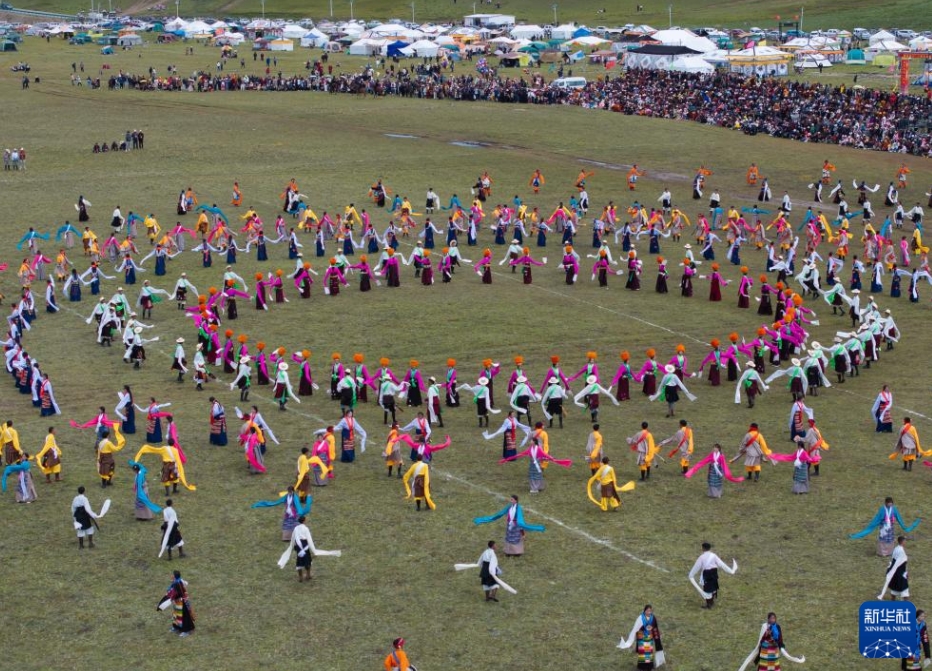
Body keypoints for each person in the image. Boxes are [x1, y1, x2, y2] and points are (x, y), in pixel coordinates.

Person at [473, 495, 545, 558]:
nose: (510, 501)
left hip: (516, 525)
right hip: (510, 525)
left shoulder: (518, 508)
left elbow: (520, 518)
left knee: (516, 538)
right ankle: (509, 552)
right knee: (509, 537)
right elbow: (501, 513)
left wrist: (519, 527)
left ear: (516, 501)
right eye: (510, 499)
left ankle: (517, 552)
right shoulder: (509, 507)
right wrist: (494, 518)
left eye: (512, 499)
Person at [850, 497, 920, 556]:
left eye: (891, 503)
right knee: (883, 540)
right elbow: (876, 519)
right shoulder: (882, 509)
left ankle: (889, 552)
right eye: (888, 503)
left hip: (891, 528)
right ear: (885, 503)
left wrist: (903, 526)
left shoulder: (894, 509)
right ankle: (881, 553)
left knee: (890, 540)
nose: (890, 505)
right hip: (883, 528)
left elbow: (899, 519)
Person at [688, 541, 737, 609]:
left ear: (703, 548)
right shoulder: (714, 555)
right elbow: (722, 565)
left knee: (707, 588)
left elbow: (697, 567)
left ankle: (709, 604)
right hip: (714, 573)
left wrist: (691, 574)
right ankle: (711, 602)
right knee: (713, 587)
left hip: (707, 574)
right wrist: (730, 570)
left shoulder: (701, 557)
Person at [616, 604, 664, 670]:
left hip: (649, 637)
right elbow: (635, 629)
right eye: (647, 611)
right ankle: (642, 667)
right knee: (643, 653)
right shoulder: (640, 618)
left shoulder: (653, 618)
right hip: (642, 638)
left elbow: (655, 628)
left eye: (650, 611)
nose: (649, 612)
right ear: (645, 611)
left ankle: (649, 666)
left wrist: (656, 636)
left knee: (649, 653)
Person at [157, 570, 195, 636]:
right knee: (176, 615)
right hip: (177, 602)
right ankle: (176, 627)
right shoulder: (176, 582)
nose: (171, 576)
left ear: (174, 576)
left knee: (184, 616)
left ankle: (187, 630)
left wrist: (171, 597)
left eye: (172, 575)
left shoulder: (178, 583)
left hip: (182, 602)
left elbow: (178, 593)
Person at [879, 536, 910, 600]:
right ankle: (906, 605)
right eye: (905, 541)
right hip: (900, 573)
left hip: (895, 573)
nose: (905, 542)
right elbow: (903, 562)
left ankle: (893, 603)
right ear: (902, 541)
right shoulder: (901, 551)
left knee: (894, 589)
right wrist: (906, 572)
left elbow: (893, 560)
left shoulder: (896, 549)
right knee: (904, 589)